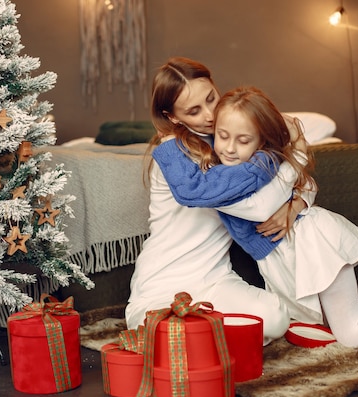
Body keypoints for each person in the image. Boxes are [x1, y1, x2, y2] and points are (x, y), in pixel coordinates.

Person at [152, 85, 358, 347]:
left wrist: (296, 189)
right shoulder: (225, 171)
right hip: (281, 253)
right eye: (223, 136)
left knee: (351, 336)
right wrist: (296, 160)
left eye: (244, 139)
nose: (230, 148)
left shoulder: (259, 167)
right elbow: (219, 191)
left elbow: (268, 202)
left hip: (311, 241)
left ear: (261, 142)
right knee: (329, 321)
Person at [125, 57, 305, 344]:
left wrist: (297, 203)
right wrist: (275, 156)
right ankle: (204, 340)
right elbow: (197, 191)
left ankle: (205, 339)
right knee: (163, 335)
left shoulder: (229, 138)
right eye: (194, 111)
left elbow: (295, 154)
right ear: (172, 116)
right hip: (162, 282)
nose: (210, 114)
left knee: (276, 317)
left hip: (215, 280)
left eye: (211, 98)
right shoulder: (171, 151)